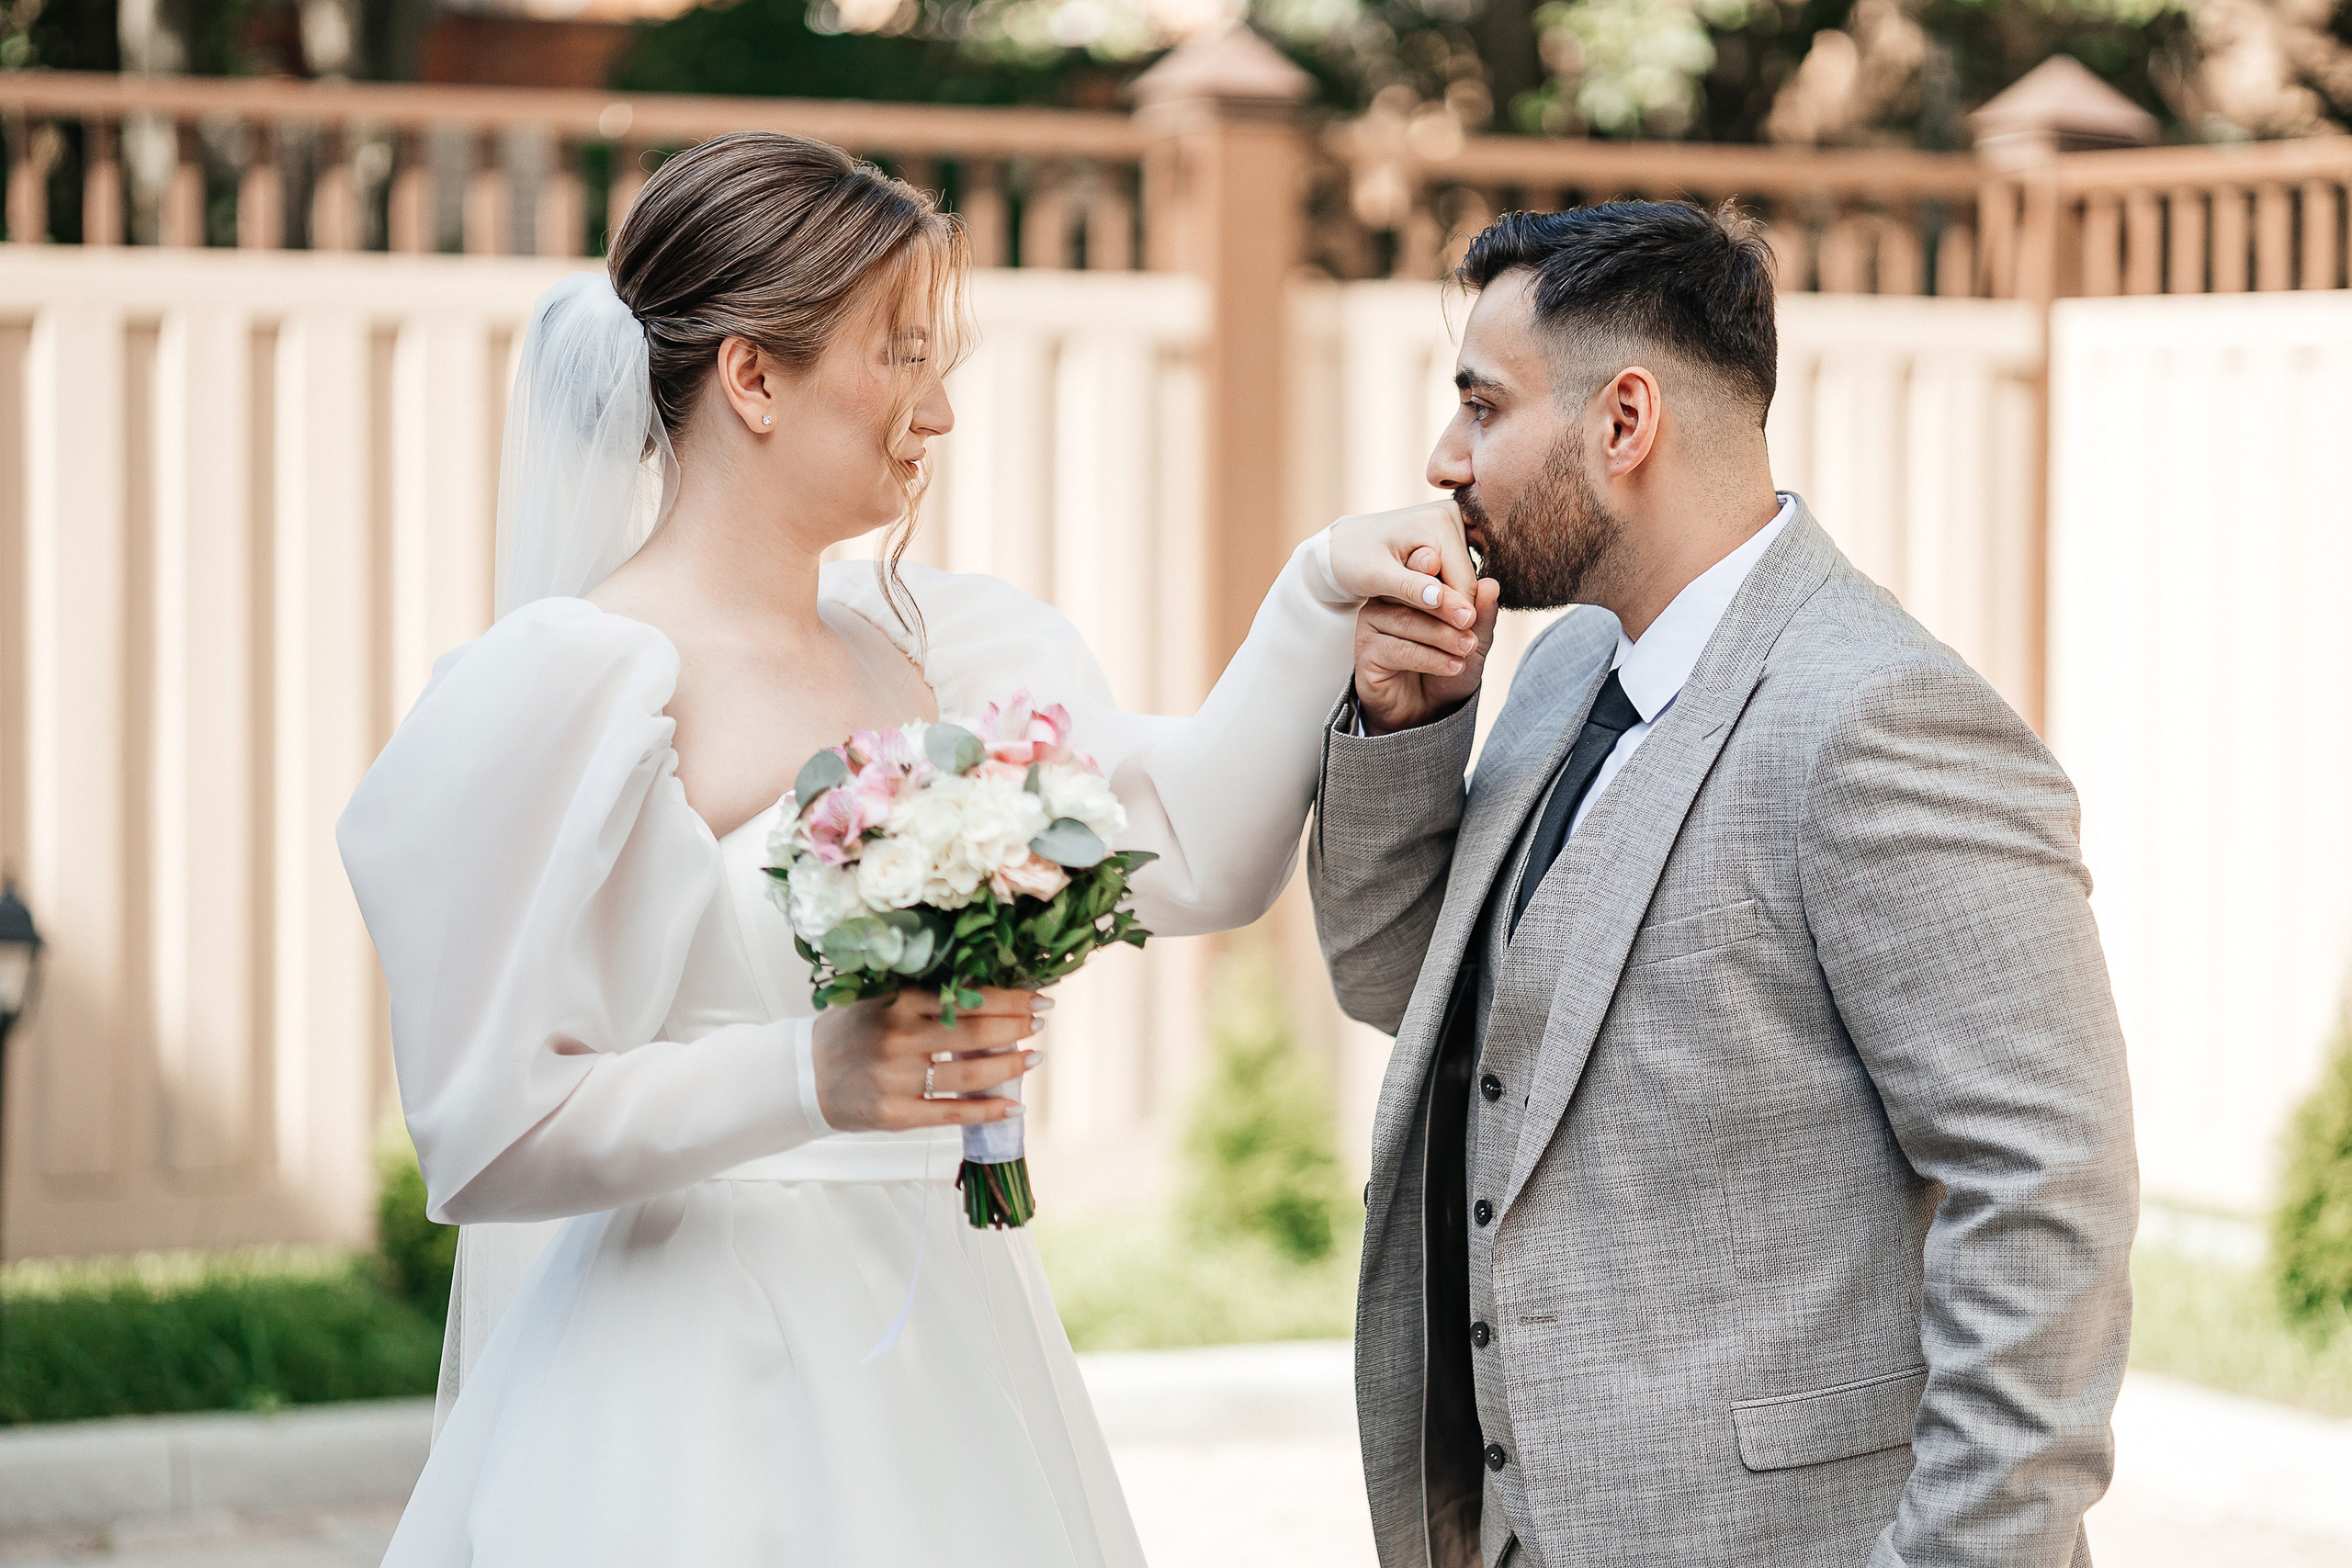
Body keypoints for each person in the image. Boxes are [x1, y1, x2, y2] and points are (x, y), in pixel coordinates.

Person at [337, 131, 1476, 1568]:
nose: (936, 411)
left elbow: (1192, 854)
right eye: (899, 355)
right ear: (754, 377)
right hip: (690, 1381)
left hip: (950, 1342)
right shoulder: (582, 683)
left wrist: (1320, 597)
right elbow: (483, 1132)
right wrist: (813, 1076)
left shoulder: (936, 649)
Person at [1307, 202, 2138, 1568]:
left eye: (1482, 406)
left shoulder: (1882, 717)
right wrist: (1407, 730)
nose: (1446, 461)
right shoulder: (1568, 669)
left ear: (1623, 421)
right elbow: (1405, 989)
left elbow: (2046, 1188)